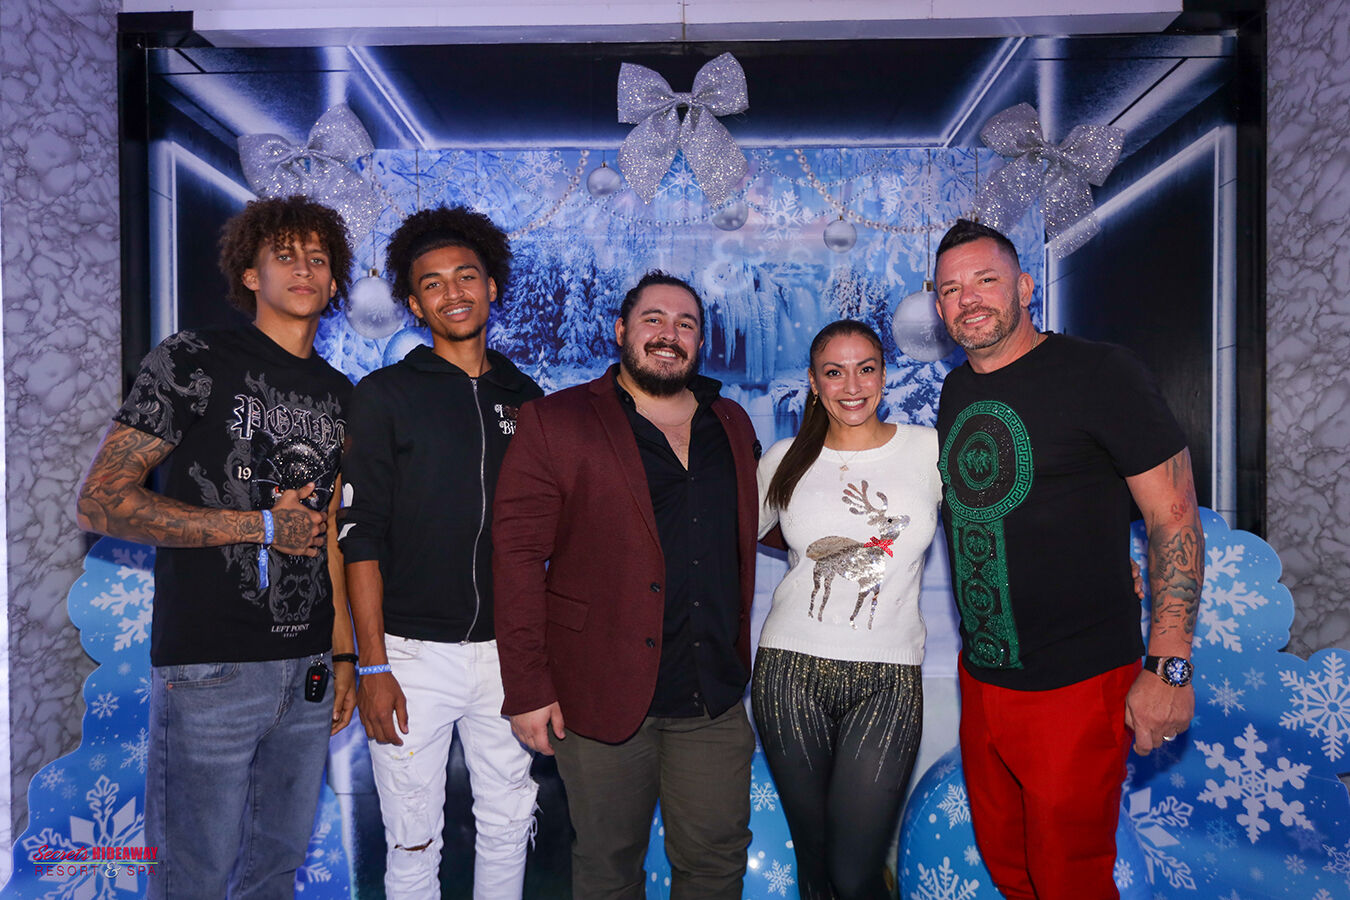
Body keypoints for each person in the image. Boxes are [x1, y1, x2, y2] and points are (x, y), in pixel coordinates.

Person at [75, 196, 358, 898]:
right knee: (192, 878)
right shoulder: (193, 359)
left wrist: (343, 655)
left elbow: (329, 536)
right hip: (211, 668)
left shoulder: (341, 394)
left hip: (310, 669)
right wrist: (258, 526)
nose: (304, 269)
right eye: (285, 256)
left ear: (334, 283)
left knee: (276, 873)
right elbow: (101, 500)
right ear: (251, 275)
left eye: (318, 258)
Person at [931, 218, 1204, 899]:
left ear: (1025, 287)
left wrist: (1169, 667)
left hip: (1077, 685)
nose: (968, 300)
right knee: (1009, 868)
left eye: (985, 280)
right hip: (983, 679)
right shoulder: (955, 391)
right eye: (951, 289)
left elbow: (1173, 515)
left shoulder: (1101, 373)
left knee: (1069, 881)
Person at [493, 270, 760, 899]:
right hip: (599, 694)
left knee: (716, 864)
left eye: (686, 324)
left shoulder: (731, 422)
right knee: (608, 869)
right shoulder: (555, 420)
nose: (669, 334)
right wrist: (528, 687)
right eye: (653, 320)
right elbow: (517, 558)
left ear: (700, 342)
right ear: (620, 330)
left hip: (712, 697)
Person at [338, 206, 542, 898]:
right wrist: (372, 664)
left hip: (508, 655)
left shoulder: (527, 399)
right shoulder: (385, 395)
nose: (453, 293)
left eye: (466, 276)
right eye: (433, 283)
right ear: (414, 302)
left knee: (509, 823)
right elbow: (359, 536)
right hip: (410, 657)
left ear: (492, 286)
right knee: (413, 838)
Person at [753, 319, 938, 900]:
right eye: (834, 372)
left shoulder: (928, 449)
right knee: (814, 865)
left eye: (866, 369)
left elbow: (1000, 525)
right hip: (789, 673)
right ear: (814, 382)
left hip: (889, 679)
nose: (852, 386)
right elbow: (721, 541)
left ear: (884, 375)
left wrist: (1108, 566)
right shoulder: (783, 459)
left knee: (855, 873)